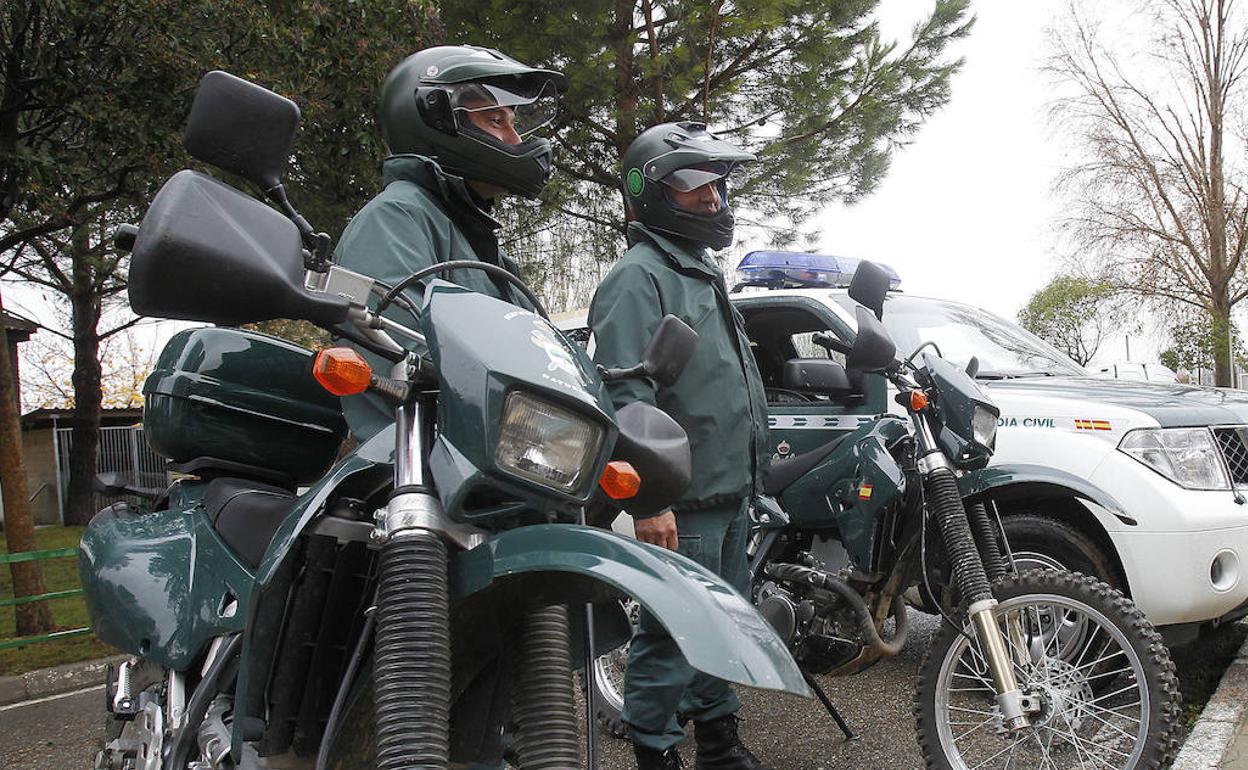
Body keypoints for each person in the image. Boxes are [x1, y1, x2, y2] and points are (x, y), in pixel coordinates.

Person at [588, 122, 772, 770]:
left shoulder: (699, 273)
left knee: (718, 626)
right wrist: (649, 500)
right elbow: (628, 399)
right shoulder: (639, 278)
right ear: (653, 191)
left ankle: (719, 744)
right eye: (695, 186)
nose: (713, 199)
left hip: (725, 492)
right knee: (669, 637)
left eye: (717, 185)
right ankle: (655, 754)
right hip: (680, 501)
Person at [333, 45, 565, 441]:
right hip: (413, 473)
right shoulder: (395, 217)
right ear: (436, 119)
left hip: (500, 472)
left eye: (513, 122)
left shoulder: (488, 253)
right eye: (496, 121)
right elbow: (398, 351)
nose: (514, 138)